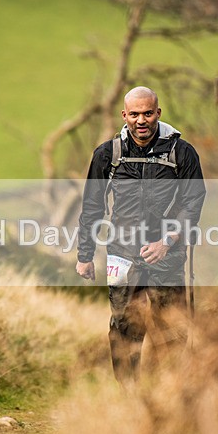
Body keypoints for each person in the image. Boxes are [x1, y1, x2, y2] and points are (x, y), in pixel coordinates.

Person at [76, 86, 206, 386]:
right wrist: (84, 255)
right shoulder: (108, 154)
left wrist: (167, 242)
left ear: (158, 113)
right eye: (134, 114)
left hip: (168, 255)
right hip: (122, 253)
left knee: (173, 328)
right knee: (123, 326)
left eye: (148, 113)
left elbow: (193, 200)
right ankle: (128, 396)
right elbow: (92, 205)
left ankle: (167, 394)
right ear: (124, 116)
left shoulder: (181, 152)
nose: (141, 120)